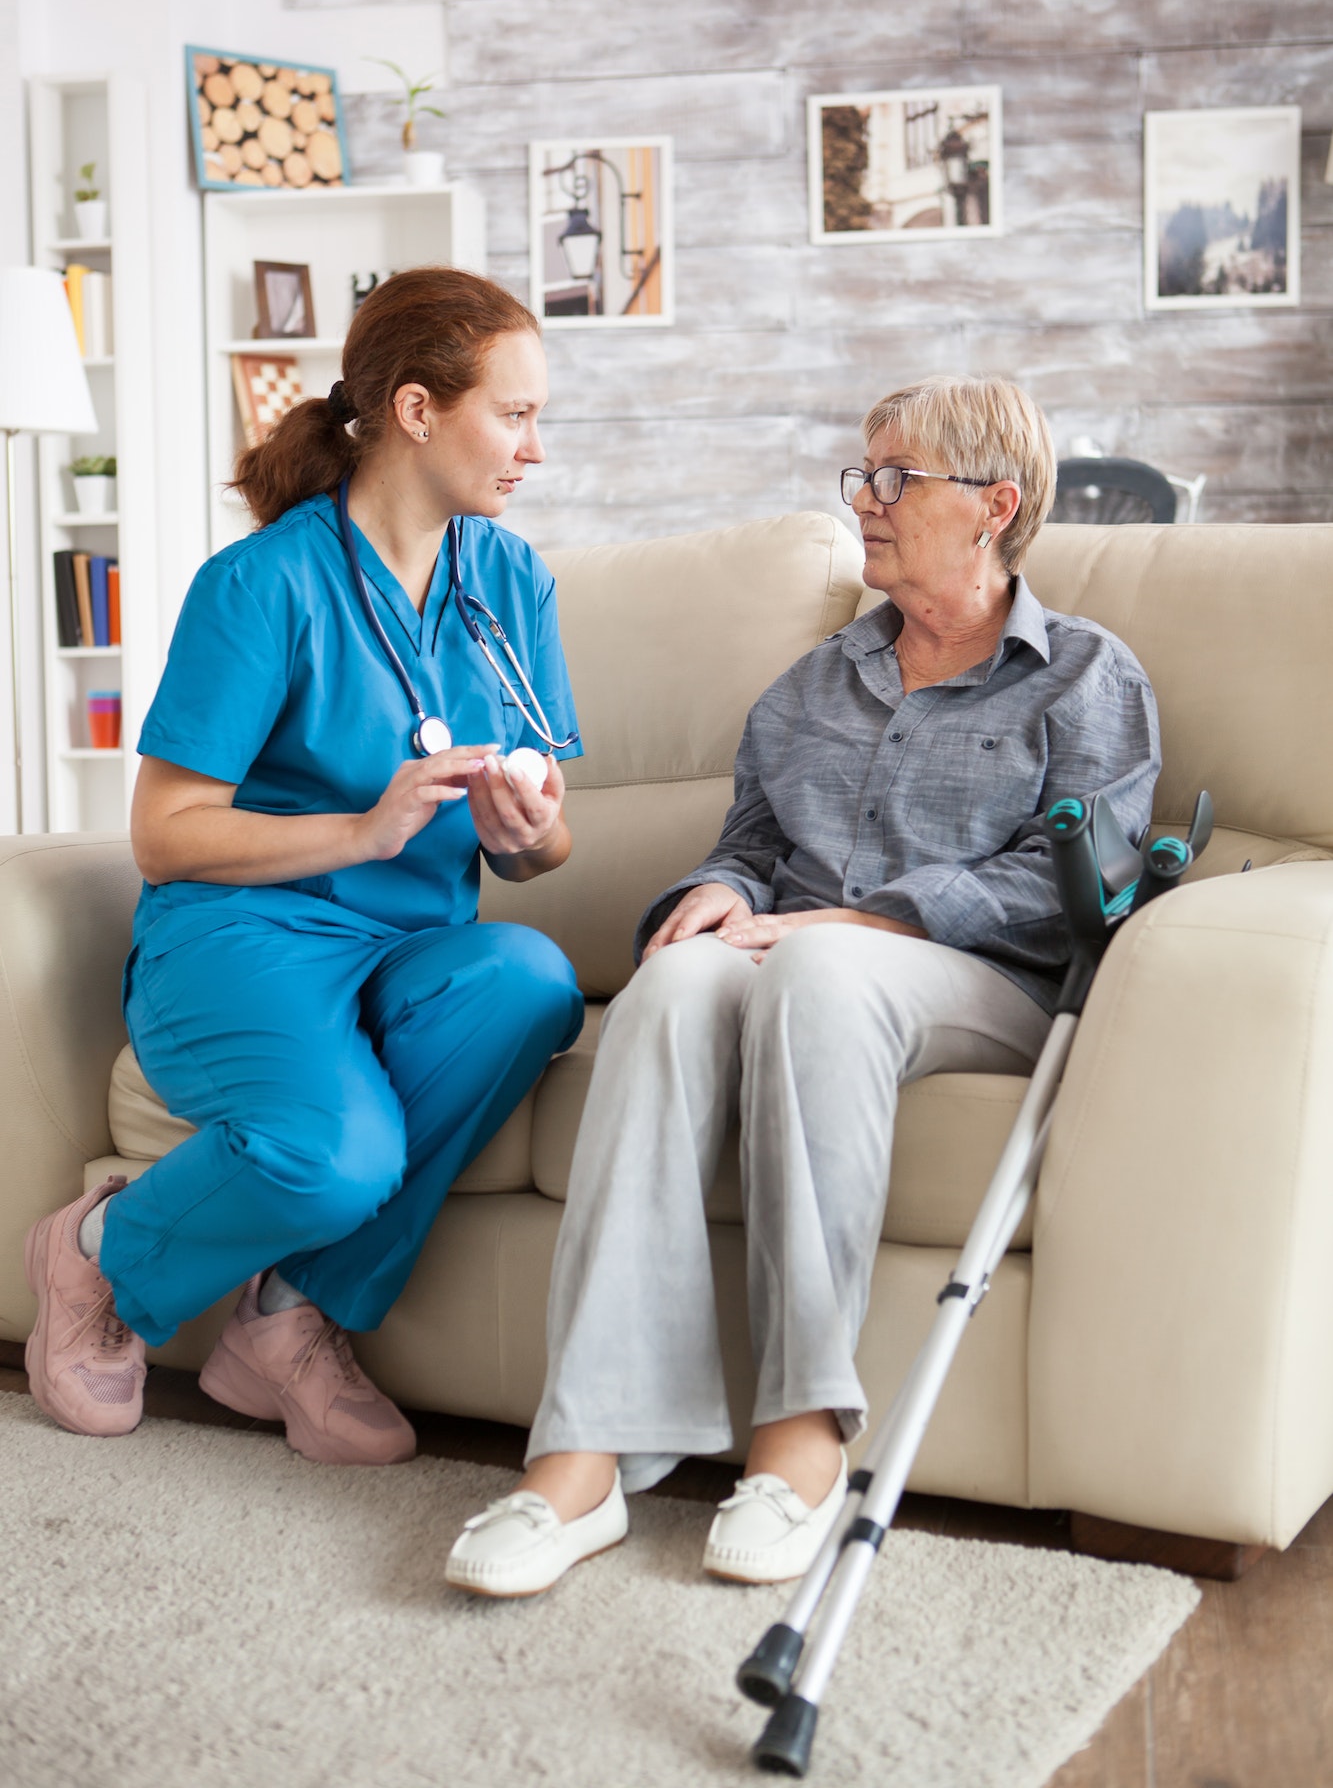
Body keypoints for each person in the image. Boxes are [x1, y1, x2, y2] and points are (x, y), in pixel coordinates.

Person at [445, 373, 1160, 1597]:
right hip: (802, 957)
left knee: (822, 964)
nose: (865, 502)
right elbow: (751, 847)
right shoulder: (812, 683)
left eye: (896, 478)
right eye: (860, 475)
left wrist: (856, 916)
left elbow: (1080, 884)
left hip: (977, 986)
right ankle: (581, 1458)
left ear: (994, 504)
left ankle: (802, 1443)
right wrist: (713, 898)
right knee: (671, 983)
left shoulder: (1085, 675)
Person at [24, 267, 584, 1465]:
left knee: (531, 975)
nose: (535, 447)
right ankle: (94, 1255)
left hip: (412, 942)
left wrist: (524, 833)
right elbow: (164, 832)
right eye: (517, 413)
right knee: (335, 1157)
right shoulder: (262, 584)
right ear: (421, 410)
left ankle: (281, 1319)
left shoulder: (509, 580)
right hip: (240, 937)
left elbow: (551, 846)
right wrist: (360, 831)